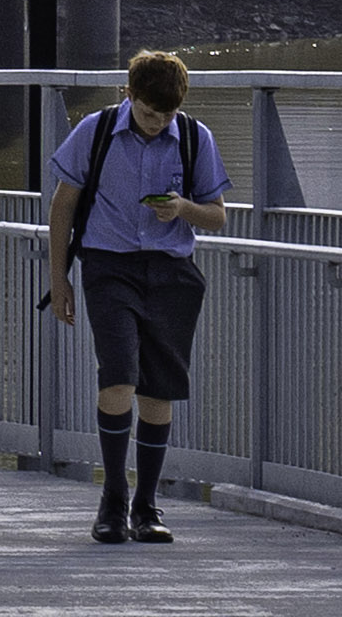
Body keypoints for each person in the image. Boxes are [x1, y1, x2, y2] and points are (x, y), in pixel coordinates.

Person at [47, 50, 232, 543]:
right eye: (150, 113)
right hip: (109, 266)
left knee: (159, 390)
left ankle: (147, 505)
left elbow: (218, 216)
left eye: (167, 115)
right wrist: (58, 278)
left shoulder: (195, 138)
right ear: (129, 95)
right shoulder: (97, 130)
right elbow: (63, 204)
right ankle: (112, 498)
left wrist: (184, 208)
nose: (157, 123)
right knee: (118, 378)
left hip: (172, 271)